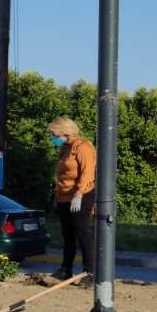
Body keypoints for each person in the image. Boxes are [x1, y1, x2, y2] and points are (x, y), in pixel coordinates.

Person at [48, 116, 96, 280]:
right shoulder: (65, 148)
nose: (53, 137)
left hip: (80, 195)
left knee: (83, 233)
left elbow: (87, 173)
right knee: (68, 235)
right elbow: (62, 174)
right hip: (64, 196)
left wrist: (79, 194)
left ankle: (90, 272)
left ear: (65, 132)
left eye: (55, 134)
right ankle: (65, 270)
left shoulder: (83, 147)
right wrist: (58, 196)